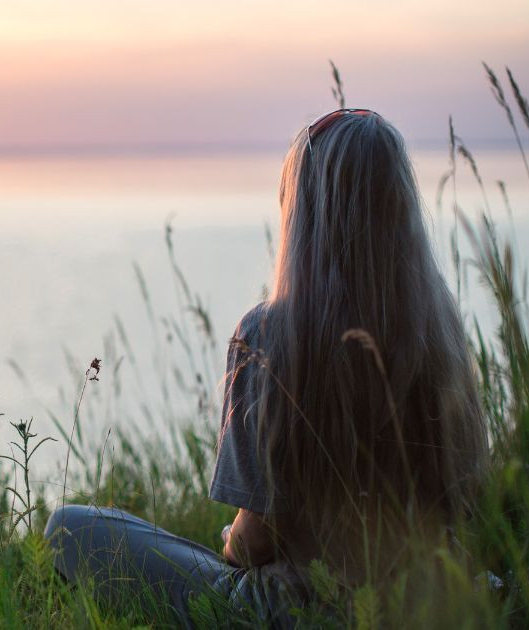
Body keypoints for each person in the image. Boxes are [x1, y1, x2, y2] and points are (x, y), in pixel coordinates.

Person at [44, 109, 488, 627]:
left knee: (71, 527)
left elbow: (253, 544)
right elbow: (468, 502)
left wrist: (231, 543)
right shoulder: (440, 333)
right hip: (430, 604)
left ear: (304, 213)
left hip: (296, 613)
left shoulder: (270, 336)